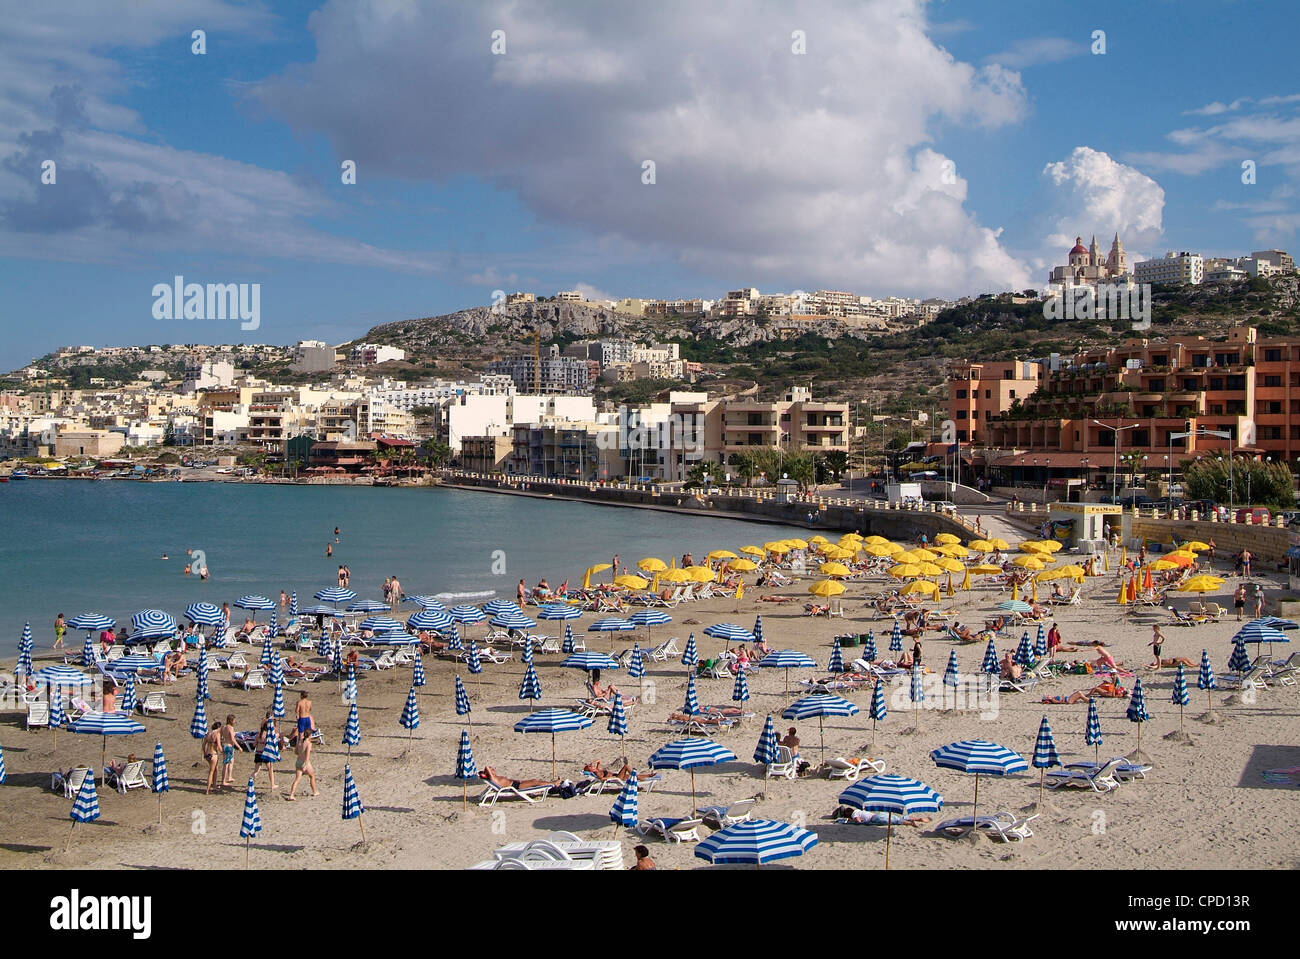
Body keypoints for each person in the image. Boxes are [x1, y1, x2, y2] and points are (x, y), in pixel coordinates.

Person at [284, 731, 319, 800]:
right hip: (304, 762)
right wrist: (305, 765)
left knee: (297, 779)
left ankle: (291, 795)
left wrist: (301, 753)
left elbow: (296, 752)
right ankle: (315, 791)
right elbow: (307, 756)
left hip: (298, 761)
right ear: (309, 736)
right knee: (312, 776)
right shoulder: (309, 744)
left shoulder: (299, 742)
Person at [251, 711, 278, 792]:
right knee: (270, 769)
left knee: (256, 771)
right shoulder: (268, 735)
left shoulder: (258, 734)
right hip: (266, 754)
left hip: (258, 753)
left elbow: (254, 745)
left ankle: (250, 782)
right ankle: (272, 785)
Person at [478, 767, 562, 792]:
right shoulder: (493, 779)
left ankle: (552, 783)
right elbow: (487, 767)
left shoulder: (495, 778)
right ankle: (553, 784)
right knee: (535, 782)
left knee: (534, 780)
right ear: (489, 773)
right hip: (514, 786)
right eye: (492, 769)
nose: (493, 769)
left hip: (515, 783)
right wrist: (485, 773)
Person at [202, 721, 223, 794]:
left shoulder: (208, 734)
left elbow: (203, 745)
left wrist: (204, 753)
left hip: (207, 754)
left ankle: (214, 785)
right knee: (211, 772)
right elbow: (219, 747)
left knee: (215, 769)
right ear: (219, 727)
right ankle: (207, 790)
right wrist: (224, 753)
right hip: (213, 754)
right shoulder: (217, 734)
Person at [220, 714, 238, 787]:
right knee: (226, 764)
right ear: (231, 720)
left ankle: (229, 776)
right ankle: (223, 781)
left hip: (225, 745)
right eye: (234, 720)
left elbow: (221, 736)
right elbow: (232, 739)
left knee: (231, 761)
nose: (234, 721)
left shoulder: (223, 727)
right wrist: (239, 746)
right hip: (228, 746)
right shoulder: (230, 728)